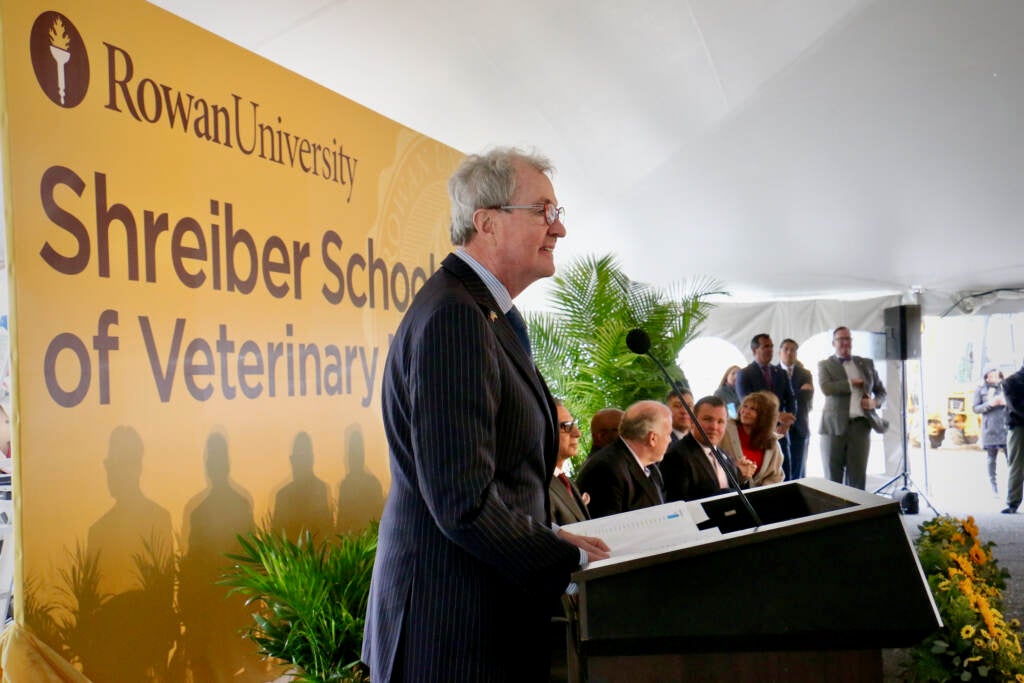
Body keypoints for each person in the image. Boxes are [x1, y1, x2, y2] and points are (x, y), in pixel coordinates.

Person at [362, 147, 609, 682]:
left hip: (478, 621)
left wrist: (556, 537)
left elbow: (494, 480)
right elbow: (462, 503)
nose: (558, 229)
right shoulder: (456, 317)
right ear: (487, 223)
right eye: (543, 211)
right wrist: (571, 562)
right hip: (452, 631)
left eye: (557, 213)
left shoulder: (483, 311)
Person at [576, 400, 672, 518]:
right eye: (668, 434)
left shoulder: (651, 468)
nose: (670, 440)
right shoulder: (606, 469)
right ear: (652, 438)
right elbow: (608, 528)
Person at [818, 326, 886, 490]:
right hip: (833, 427)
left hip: (861, 426)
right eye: (840, 339)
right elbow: (826, 388)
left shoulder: (866, 363)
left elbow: (881, 392)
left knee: (857, 478)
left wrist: (874, 403)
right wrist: (850, 383)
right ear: (833, 343)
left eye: (848, 339)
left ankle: (856, 515)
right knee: (832, 479)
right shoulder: (825, 364)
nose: (844, 343)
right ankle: (833, 515)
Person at [660, 396, 757, 502]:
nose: (714, 427)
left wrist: (743, 477)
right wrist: (725, 494)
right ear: (692, 421)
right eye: (708, 419)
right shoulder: (676, 456)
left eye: (720, 422)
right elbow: (678, 504)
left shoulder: (725, 456)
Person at [735, 334, 797, 449]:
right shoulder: (745, 374)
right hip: (758, 432)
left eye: (772, 347)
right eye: (766, 347)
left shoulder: (781, 373)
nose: (770, 350)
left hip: (781, 432)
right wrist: (776, 415)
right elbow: (747, 403)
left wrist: (787, 422)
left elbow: (791, 399)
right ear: (755, 350)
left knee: (785, 466)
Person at [720, 391, 785, 487]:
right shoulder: (725, 431)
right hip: (729, 493)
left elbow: (776, 477)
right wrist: (735, 470)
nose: (746, 411)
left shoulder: (772, 442)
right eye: (745, 406)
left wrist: (759, 493)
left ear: (764, 416)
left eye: (753, 409)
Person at [549, 401, 590, 525]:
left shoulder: (565, 481)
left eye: (574, 424)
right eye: (566, 426)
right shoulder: (536, 486)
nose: (577, 433)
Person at [778, 338, 814, 479]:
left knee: (799, 469)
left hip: (800, 426)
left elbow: (806, 398)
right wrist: (798, 392)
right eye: (786, 349)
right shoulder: (773, 372)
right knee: (781, 468)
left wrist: (789, 396)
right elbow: (776, 399)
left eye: (793, 350)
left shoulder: (805, 374)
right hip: (779, 427)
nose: (789, 352)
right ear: (779, 352)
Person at [974, 368, 1008, 495]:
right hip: (990, 429)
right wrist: (990, 404)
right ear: (986, 378)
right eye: (990, 377)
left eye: (996, 376)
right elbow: (976, 408)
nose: (993, 379)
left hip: (1005, 427)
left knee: (1011, 458)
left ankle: (1012, 486)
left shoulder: (1006, 388)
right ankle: (993, 486)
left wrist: (1006, 402)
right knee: (991, 459)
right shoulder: (981, 390)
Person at [1001, 360, 1024, 514]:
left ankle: (1013, 503)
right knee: (1016, 465)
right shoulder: (1011, 382)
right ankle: (1012, 502)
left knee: (1016, 465)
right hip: (1018, 426)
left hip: (1017, 426)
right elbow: (1016, 407)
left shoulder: (1010, 382)